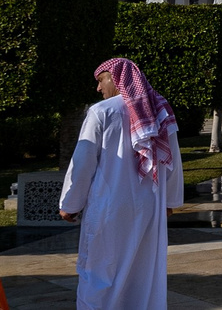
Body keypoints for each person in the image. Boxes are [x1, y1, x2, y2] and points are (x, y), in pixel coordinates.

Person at [59, 57, 184, 310]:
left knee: (99, 271)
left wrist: (70, 204)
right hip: (150, 205)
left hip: (109, 206)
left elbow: (83, 163)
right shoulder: (160, 108)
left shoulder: (102, 111)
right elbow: (174, 159)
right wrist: (170, 202)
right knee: (144, 271)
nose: (98, 88)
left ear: (116, 79)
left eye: (101, 80)